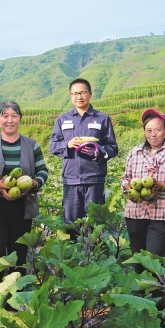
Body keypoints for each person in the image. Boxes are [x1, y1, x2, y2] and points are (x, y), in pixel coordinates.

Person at [0, 101, 48, 304]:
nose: (10, 120)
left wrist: (33, 185)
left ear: (20, 118)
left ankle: (16, 298)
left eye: (14, 115)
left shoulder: (32, 145)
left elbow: (43, 172)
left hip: (22, 207)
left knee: (19, 253)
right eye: (5, 116)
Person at [49, 78, 118, 238]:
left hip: (94, 179)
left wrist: (98, 151)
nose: (78, 96)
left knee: (94, 225)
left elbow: (112, 148)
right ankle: (74, 258)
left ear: (90, 94)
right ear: (70, 96)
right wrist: (67, 144)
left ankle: (94, 258)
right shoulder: (63, 119)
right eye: (74, 93)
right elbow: (53, 146)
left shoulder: (102, 118)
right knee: (71, 225)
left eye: (82, 93)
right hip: (71, 179)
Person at [121, 109, 165, 258]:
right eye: (149, 130)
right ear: (144, 131)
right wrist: (127, 189)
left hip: (161, 214)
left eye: (157, 130)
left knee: (154, 257)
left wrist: (164, 186)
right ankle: (138, 279)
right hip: (135, 212)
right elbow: (125, 178)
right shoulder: (135, 152)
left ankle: (155, 281)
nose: (153, 134)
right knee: (137, 258)